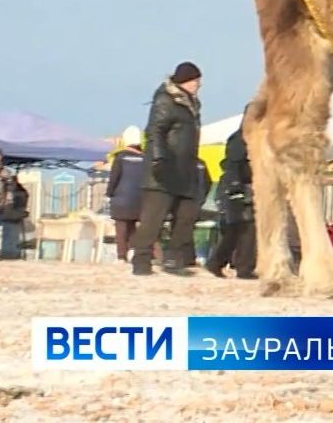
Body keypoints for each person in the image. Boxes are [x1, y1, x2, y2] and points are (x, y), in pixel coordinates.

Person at [129, 62, 205, 277]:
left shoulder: (191, 105)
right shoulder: (166, 100)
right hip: (163, 170)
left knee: (187, 215)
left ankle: (174, 257)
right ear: (185, 81)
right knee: (153, 219)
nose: (198, 86)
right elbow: (155, 131)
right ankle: (141, 259)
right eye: (196, 81)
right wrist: (158, 159)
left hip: (184, 170)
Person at [206, 118, 256, 280]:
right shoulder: (239, 139)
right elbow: (233, 164)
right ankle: (223, 263)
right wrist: (235, 187)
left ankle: (241, 267)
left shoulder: (253, 138)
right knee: (237, 229)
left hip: (245, 187)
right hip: (237, 188)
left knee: (244, 229)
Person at [106, 126, 147, 262]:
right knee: (134, 226)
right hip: (140, 199)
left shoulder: (120, 157)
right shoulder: (146, 158)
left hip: (121, 198)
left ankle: (122, 256)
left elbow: (114, 178)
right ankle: (133, 250)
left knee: (121, 227)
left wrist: (109, 193)